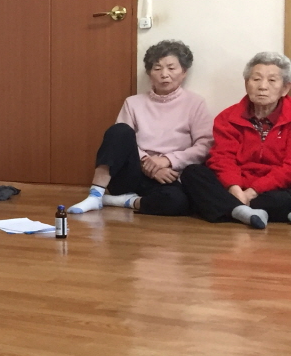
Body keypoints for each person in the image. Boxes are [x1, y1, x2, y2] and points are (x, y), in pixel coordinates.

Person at [69, 40, 212, 216]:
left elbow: (204, 146)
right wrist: (147, 164)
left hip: (169, 175)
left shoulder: (195, 103)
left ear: (184, 72)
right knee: (119, 131)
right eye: (157, 68)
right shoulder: (133, 103)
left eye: (171, 68)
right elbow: (121, 144)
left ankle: (123, 201)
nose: (164, 74)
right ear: (149, 73)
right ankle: (95, 195)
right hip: (134, 172)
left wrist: (167, 160)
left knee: (177, 202)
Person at [180, 51, 291, 229]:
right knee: (192, 173)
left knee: (284, 197)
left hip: (273, 188)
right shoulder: (228, 117)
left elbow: (288, 168)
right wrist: (234, 188)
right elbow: (222, 158)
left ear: (285, 88)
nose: (263, 86)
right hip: (235, 185)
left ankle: (233, 210)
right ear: (246, 84)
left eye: (272, 80)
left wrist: (253, 191)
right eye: (256, 79)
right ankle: (251, 211)